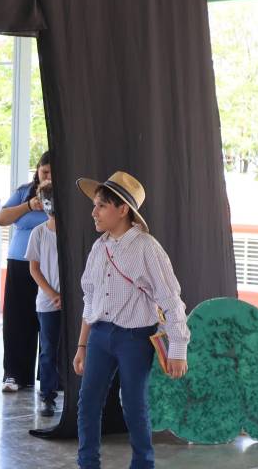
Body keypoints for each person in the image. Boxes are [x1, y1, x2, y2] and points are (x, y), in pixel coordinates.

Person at [73, 171, 190, 469]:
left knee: (134, 405)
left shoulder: (147, 248)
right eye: (95, 205)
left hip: (134, 339)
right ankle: (87, 464)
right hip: (99, 335)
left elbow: (170, 298)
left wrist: (178, 349)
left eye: (101, 206)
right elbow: (90, 298)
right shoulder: (100, 247)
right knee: (87, 403)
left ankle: (143, 463)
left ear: (123, 209)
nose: (94, 212)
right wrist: (82, 344)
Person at [0, 150, 50, 392]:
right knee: (18, 319)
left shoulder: (65, 193)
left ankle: (51, 378)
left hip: (51, 264)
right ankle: (15, 375)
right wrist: (28, 205)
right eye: (45, 171)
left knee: (49, 319)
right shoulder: (24, 191)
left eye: (53, 172)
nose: (49, 176)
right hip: (20, 261)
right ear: (38, 170)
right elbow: (3, 218)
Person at [25, 181, 61, 417]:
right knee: (48, 349)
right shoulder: (39, 234)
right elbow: (34, 269)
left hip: (76, 302)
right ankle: (47, 395)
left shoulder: (73, 233)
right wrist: (54, 295)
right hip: (48, 303)